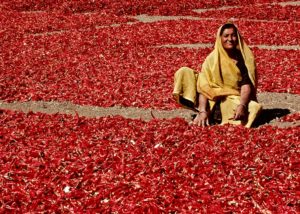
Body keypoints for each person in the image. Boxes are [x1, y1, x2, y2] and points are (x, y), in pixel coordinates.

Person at [173, 22, 262, 128]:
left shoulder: (243, 58)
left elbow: (246, 85)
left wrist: (242, 105)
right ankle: (205, 111)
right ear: (219, 38)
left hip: (232, 97)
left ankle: (216, 114)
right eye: (226, 36)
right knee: (184, 72)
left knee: (254, 108)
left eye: (233, 35)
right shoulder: (212, 59)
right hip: (211, 96)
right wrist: (202, 111)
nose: (230, 39)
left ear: (237, 37)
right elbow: (204, 86)